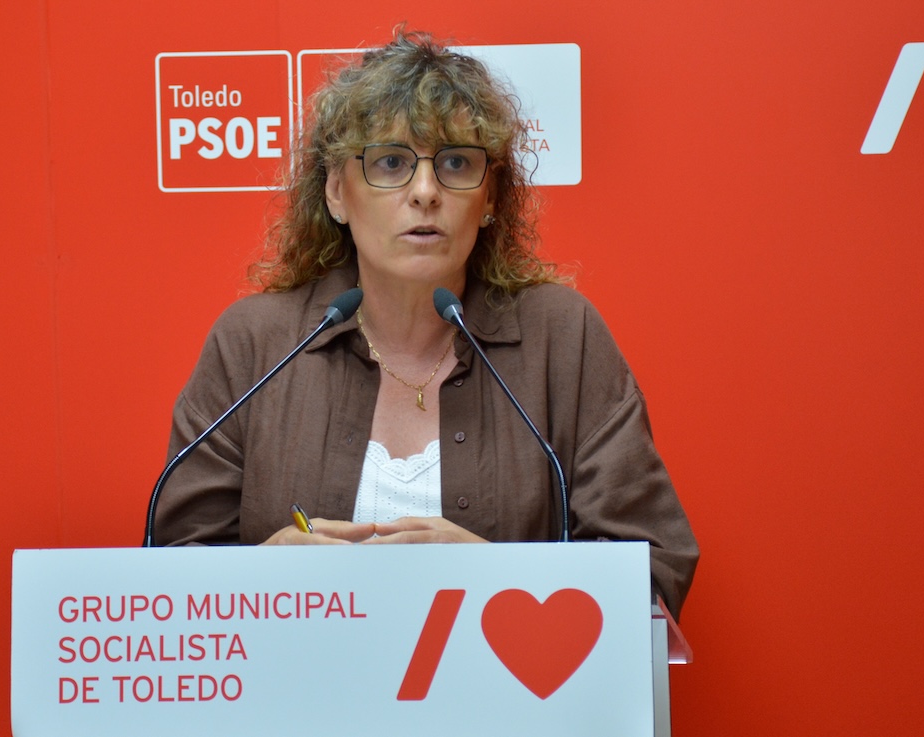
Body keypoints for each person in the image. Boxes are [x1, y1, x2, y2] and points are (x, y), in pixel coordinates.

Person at [154, 29, 699, 618]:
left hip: (504, 680)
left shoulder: (562, 337)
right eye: (391, 162)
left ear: (490, 198)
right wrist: (265, 576)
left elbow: (652, 569)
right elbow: (169, 575)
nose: (424, 192)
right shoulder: (253, 344)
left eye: (456, 163)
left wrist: (491, 580)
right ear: (336, 193)